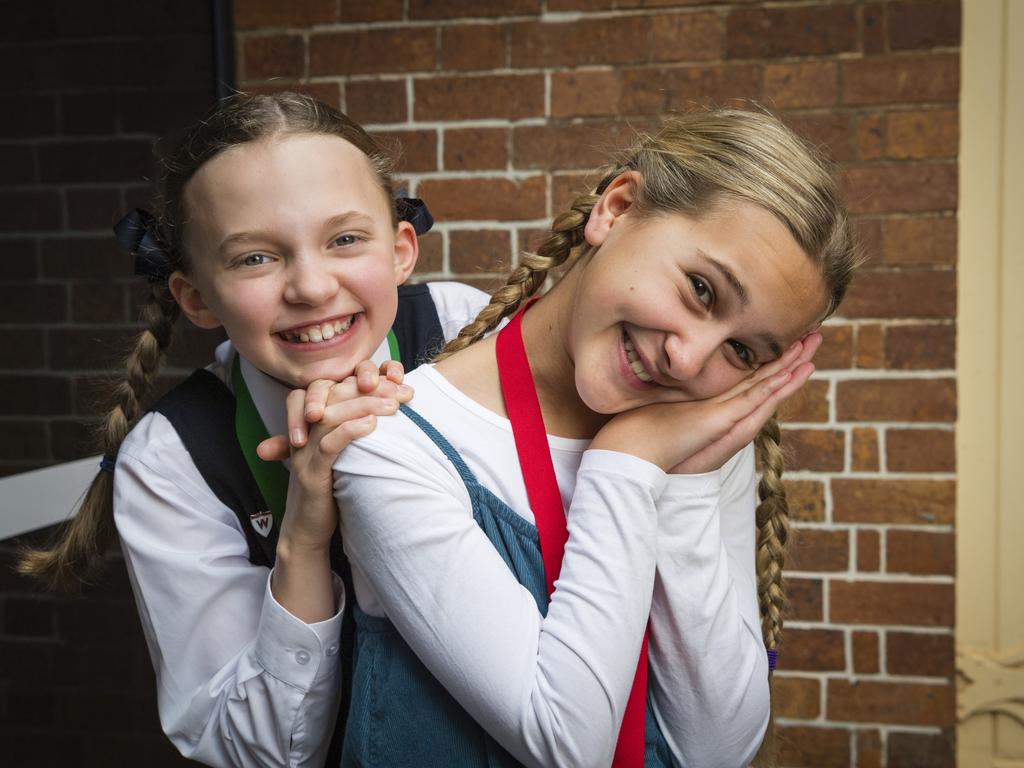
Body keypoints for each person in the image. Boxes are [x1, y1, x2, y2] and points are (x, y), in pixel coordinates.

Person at [319, 109, 860, 767]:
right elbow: (567, 745)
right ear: (618, 207)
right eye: (700, 290)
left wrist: (685, 481)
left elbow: (717, 750)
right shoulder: (394, 441)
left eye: (742, 350)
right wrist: (628, 462)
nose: (688, 361)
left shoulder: (702, 440)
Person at [17, 92, 489, 768]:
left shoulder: (461, 332)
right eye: (255, 259)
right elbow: (252, 752)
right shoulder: (174, 458)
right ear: (197, 297)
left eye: (346, 239)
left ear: (401, 249)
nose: (311, 286)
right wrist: (303, 534)